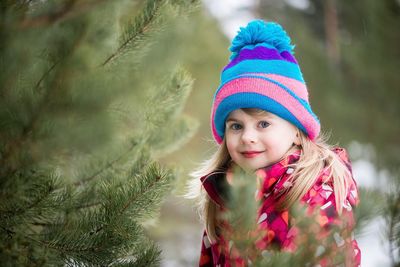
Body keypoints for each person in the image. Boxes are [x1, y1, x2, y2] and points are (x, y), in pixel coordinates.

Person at [187, 20, 361, 266]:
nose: (247, 137)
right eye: (236, 126)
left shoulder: (318, 193)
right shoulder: (226, 192)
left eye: (263, 124)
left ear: (298, 131)